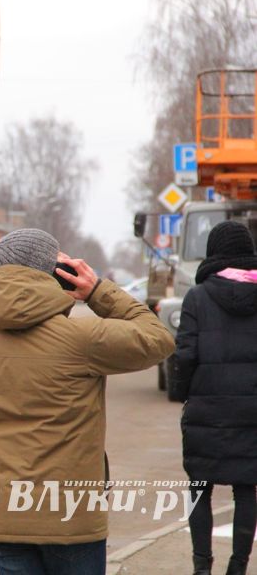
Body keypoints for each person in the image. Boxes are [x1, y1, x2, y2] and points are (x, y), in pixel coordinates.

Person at [0, 228, 174, 575]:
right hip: (73, 516)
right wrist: (98, 291)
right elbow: (159, 338)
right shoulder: (84, 338)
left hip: (5, 514)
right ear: (57, 273)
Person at [172, 220, 257, 575]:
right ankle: (238, 567)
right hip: (252, 409)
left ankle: (201, 566)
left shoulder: (197, 297)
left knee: (199, 487)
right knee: (246, 488)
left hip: (206, 408)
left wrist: (182, 392)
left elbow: (185, 354)